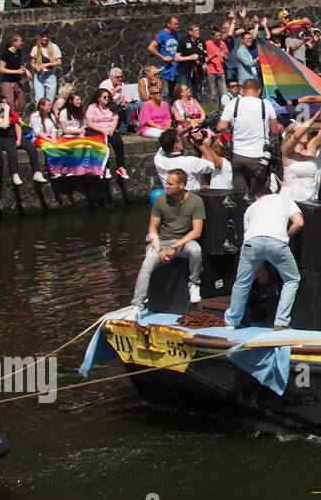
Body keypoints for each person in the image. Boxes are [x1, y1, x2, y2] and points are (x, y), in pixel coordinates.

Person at [223, 176, 305, 331]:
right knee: (292, 279)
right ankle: (281, 322)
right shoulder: (284, 198)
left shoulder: (250, 209)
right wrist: (285, 237)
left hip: (251, 243)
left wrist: (261, 271)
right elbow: (299, 222)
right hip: (276, 241)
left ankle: (231, 322)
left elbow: (251, 239)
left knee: (242, 283)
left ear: (256, 198)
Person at [131, 168, 205, 309]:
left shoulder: (196, 202)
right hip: (163, 242)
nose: (167, 186)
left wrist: (174, 247)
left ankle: (194, 284)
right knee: (147, 263)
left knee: (195, 250)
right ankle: (137, 304)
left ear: (182, 185)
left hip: (183, 242)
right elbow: (152, 229)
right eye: (167, 183)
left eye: (170, 184)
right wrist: (159, 250)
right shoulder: (160, 200)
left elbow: (197, 232)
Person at [219, 78, 281, 191]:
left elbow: (221, 126)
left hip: (238, 156)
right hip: (259, 157)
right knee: (260, 193)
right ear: (259, 91)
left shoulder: (233, 103)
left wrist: (233, 130)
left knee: (240, 194)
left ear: (242, 90)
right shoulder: (265, 104)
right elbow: (275, 131)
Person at [29, 32, 62, 103]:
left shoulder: (54, 47)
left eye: (46, 37)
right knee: (39, 100)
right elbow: (32, 63)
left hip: (50, 74)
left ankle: (48, 113)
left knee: (50, 100)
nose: (45, 39)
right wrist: (36, 67)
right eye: (43, 37)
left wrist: (48, 64)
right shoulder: (35, 48)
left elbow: (59, 62)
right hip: (39, 76)